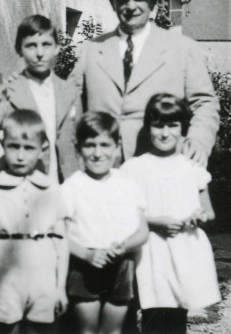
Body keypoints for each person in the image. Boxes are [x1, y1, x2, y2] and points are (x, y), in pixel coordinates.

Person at [71, 0, 219, 166]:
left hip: (163, 166)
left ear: (152, 1)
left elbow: (204, 103)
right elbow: (71, 108)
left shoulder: (182, 49)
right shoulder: (91, 50)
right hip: (103, 169)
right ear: (112, 2)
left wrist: (198, 140)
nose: (130, 6)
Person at [120, 94, 221, 334]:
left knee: (176, 317)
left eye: (173, 125)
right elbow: (121, 215)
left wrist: (198, 215)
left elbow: (208, 212)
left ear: (182, 128)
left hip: (183, 251)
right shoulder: (134, 168)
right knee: (153, 314)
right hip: (151, 253)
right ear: (148, 127)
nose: (165, 133)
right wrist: (153, 222)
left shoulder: (191, 166)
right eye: (158, 126)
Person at [0, 109, 69, 334]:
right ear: (2, 144)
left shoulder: (51, 189)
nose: (20, 156)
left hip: (43, 276)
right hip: (5, 276)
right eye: (13, 146)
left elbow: (62, 241)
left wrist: (60, 287)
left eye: (29, 148)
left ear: (42, 149)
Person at [61, 111, 149, 334]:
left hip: (120, 264)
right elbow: (60, 235)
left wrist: (124, 246)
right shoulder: (71, 187)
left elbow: (142, 231)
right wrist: (86, 254)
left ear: (117, 147)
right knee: (87, 331)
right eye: (90, 145)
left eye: (104, 145)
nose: (98, 153)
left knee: (113, 331)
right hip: (83, 265)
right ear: (78, 148)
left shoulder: (127, 185)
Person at [6, 15, 79, 182]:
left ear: (57, 48)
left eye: (46, 44)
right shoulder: (10, 91)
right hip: (27, 181)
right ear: (19, 49)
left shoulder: (70, 90)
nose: (39, 53)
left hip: (68, 180)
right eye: (31, 46)